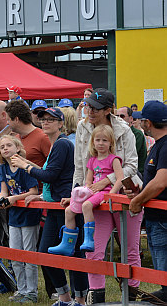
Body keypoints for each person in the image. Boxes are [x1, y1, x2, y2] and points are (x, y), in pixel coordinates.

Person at [71, 88, 142, 304]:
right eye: (88, 106)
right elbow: (81, 165)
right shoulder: (83, 127)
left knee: (130, 249)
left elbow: (132, 165)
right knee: (92, 248)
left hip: (126, 193)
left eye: (95, 107)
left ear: (108, 110)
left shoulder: (124, 130)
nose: (90, 110)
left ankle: (133, 294)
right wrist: (77, 192)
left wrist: (107, 180)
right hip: (95, 196)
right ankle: (97, 295)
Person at [11, 107, 87, 306]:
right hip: (54, 207)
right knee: (46, 252)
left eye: (51, 119)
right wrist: (40, 195)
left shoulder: (62, 144)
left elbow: (50, 176)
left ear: (61, 123)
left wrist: (25, 166)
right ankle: (64, 297)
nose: (45, 122)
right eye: (43, 118)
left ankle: (79, 299)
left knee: (75, 254)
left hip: (66, 208)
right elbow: (50, 177)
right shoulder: (55, 145)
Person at [50, 125, 124, 256]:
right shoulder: (92, 160)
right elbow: (88, 181)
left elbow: (120, 179)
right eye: (98, 140)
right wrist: (78, 196)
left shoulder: (114, 160)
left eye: (105, 140)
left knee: (86, 205)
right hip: (93, 192)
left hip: (105, 192)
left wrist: (111, 195)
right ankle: (67, 244)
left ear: (111, 142)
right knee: (68, 210)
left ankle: (89, 239)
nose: (101, 143)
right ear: (93, 142)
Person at [129, 100, 167, 302]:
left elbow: (161, 182)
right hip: (157, 216)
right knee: (161, 266)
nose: (140, 122)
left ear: (149, 123)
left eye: (142, 119)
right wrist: (139, 191)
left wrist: (138, 200)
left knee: (163, 266)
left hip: (163, 217)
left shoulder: (165, 145)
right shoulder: (160, 145)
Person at [0, 134, 41, 304]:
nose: (5, 148)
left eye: (9, 145)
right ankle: (21, 289)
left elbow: (34, 191)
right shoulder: (3, 168)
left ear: (17, 148)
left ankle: (32, 291)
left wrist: (13, 199)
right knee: (14, 254)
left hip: (29, 214)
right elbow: (4, 190)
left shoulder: (24, 167)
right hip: (13, 215)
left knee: (28, 254)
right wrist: (2, 198)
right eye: (2, 147)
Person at [5, 99, 51, 168]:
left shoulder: (43, 137)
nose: (7, 123)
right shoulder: (16, 138)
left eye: (8, 120)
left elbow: (52, 170)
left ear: (16, 119)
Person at [116, 106, 147, 174]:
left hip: (136, 172)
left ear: (131, 118)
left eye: (122, 116)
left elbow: (127, 155)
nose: (118, 119)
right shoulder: (116, 132)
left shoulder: (137, 134)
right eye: (116, 116)